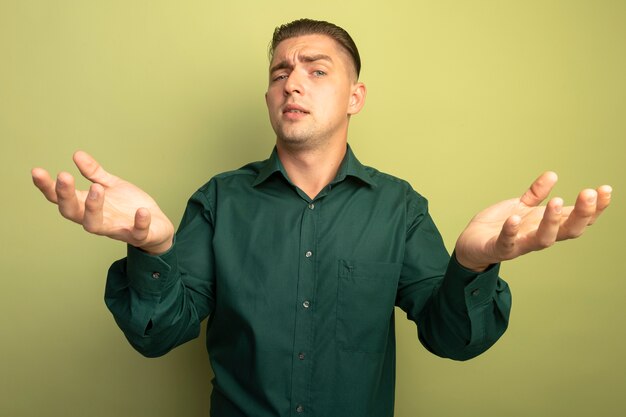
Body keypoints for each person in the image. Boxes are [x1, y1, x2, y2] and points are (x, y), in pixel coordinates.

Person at [31, 18, 611, 417]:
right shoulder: (219, 201)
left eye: (316, 69)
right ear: (267, 97)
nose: (293, 82)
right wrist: (155, 250)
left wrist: (471, 266)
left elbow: (453, 338)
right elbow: (160, 335)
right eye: (280, 72)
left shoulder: (398, 207)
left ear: (354, 97)